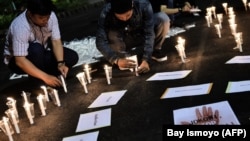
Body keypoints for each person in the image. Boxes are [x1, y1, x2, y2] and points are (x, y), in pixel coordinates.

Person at [3, 0, 79, 87]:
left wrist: (60, 63)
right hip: (18, 61)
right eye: (41, 18)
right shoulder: (20, 26)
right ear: (30, 14)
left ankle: (49, 75)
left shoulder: (51, 16)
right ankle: (39, 83)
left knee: (71, 57)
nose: (45, 21)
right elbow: (20, 61)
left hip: (41, 53)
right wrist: (45, 77)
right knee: (35, 48)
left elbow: (56, 41)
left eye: (47, 17)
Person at [96, 0, 170, 74]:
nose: (124, 19)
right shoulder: (106, 12)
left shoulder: (144, 5)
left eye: (128, 15)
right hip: (122, 38)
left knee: (162, 18)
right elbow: (100, 41)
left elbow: (149, 33)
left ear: (132, 6)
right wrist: (116, 60)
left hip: (140, 33)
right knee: (111, 33)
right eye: (120, 17)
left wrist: (146, 59)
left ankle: (154, 51)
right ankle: (123, 58)